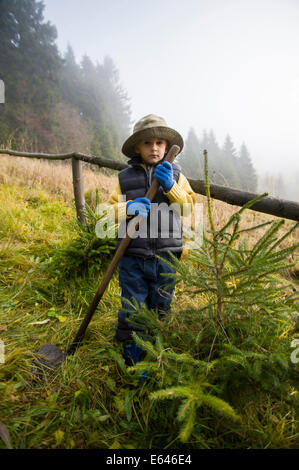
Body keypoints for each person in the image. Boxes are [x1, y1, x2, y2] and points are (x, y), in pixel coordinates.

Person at [108, 114, 196, 366]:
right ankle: (134, 354)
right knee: (133, 305)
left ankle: (156, 352)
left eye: (159, 143)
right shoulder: (124, 178)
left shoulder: (177, 175)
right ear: (137, 147)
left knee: (161, 304)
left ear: (167, 147)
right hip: (132, 256)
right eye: (147, 143)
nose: (154, 148)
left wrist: (171, 187)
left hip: (167, 256)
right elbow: (107, 212)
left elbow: (188, 208)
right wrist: (129, 207)